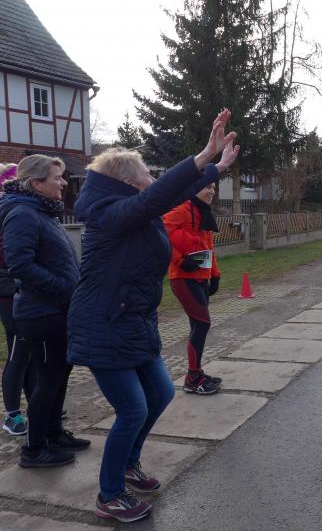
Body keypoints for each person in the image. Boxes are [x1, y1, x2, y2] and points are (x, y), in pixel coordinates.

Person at [67, 109, 239, 523]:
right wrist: (203, 156)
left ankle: (129, 464)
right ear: (129, 182)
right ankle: (110, 495)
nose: (152, 177)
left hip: (133, 322)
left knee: (160, 394)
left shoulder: (135, 210)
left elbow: (171, 193)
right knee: (132, 410)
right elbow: (160, 195)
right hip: (104, 325)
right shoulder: (110, 214)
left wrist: (216, 168)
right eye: (146, 172)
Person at [0, 155, 89, 468]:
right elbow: (20, 264)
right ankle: (34, 450)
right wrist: (62, 286)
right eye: (57, 177)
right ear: (36, 183)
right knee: (47, 380)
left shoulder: (42, 210)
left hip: (56, 308)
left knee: (60, 374)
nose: (63, 182)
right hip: (40, 312)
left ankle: (54, 433)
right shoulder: (22, 213)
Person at [163, 183, 223, 395]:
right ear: (194, 189)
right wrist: (180, 260)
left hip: (201, 277)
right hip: (183, 278)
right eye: (207, 187)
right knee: (203, 324)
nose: (212, 192)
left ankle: (196, 373)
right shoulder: (182, 210)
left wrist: (215, 274)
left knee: (197, 325)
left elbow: (208, 247)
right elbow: (162, 234)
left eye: (214, 187)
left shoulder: (203, 212)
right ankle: (192, 377)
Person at [0, 163, 36, 437]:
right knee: (18, 353)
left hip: (22, 290)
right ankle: (12, 414)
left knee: (30, 353)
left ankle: (37, 403)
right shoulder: (9, 215)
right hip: (9, 292)